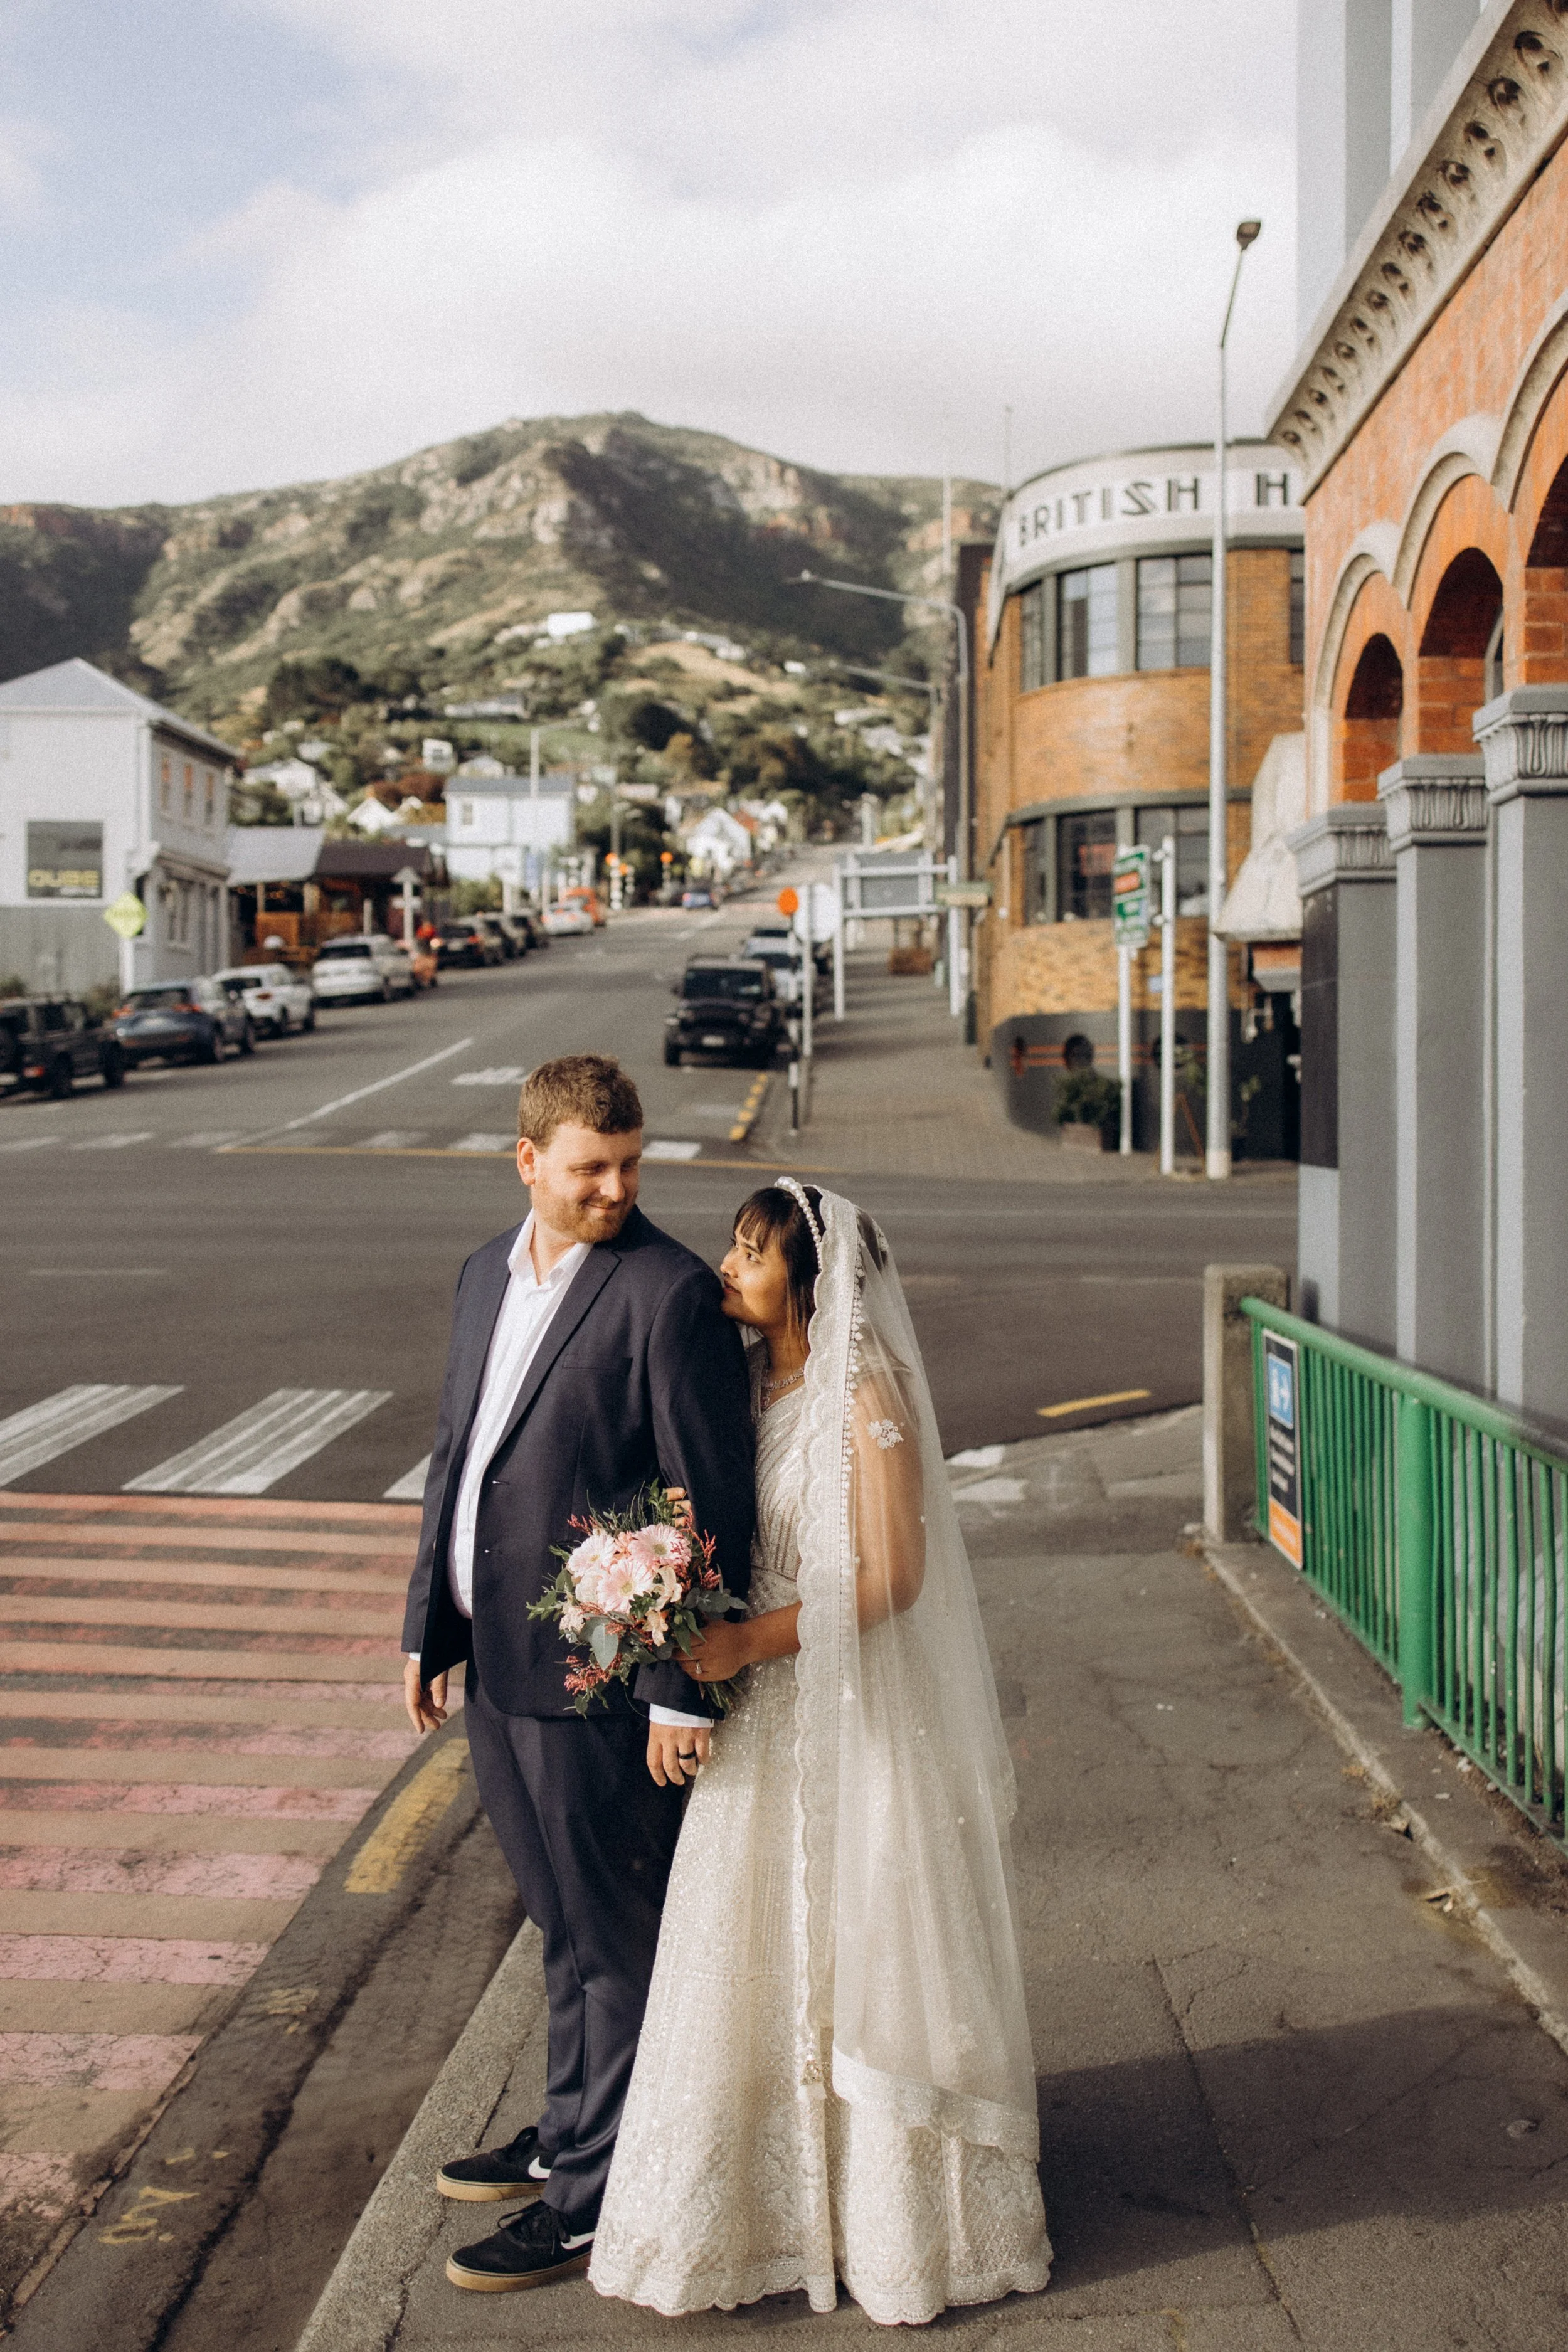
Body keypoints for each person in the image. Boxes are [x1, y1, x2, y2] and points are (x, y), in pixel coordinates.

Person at [591, 1181, 1051, 2324]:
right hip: (766, 1717)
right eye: (737, 1244)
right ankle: (762, 2212)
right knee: (749, 1954)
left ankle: (899, 2223)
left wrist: (755, 1634)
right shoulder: (755, 1381)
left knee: (869, 1937)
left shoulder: (865, 1389)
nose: (730, 1265)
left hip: (851, 1705)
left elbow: (896, 1575)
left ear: (808, 1279)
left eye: (753, 1251)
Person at [400, 1054, 753, 2293]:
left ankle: (595, 2199)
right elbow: (460, 1461)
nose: (617, 1187)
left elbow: (709, 1502)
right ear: (529, 1163)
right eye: (591, 1167)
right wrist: (424, 1630)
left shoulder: (666, 1294)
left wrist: (676, 1689)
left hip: (603, 1682)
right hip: (493, 1661)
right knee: (559, 1924)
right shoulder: (477, 1280)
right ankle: (568, 2131)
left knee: (611, 1937)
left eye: (631, 1164)